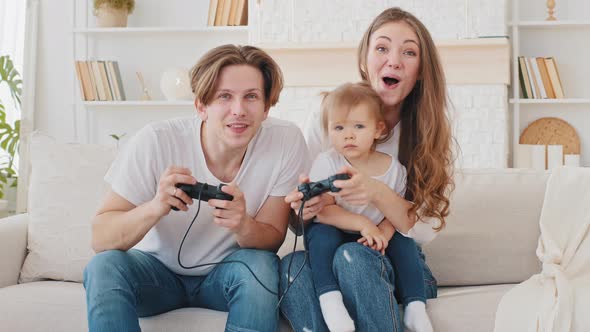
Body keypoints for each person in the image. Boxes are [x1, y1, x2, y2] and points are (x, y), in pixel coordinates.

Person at [83, 44, 310, 332]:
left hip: (226, 274)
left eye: (251, 97)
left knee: (261, 265)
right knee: (103, 267)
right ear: (201, 106)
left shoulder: (285, 141)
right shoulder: (156, 140)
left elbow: (272, 240)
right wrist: (155, 207)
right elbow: (100, 238)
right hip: (156, 273)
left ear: (266, 107)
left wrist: (243, 225)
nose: (238, 111)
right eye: (224, 97)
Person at [280, 7, 454, 332]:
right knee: (292, 268)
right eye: (382, 48)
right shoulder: (331, 115)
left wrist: (375, 193)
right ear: (365, 59)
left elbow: (423, 229)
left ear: (420, 70)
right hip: (333, 249)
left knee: (353, 258)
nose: (394, 60)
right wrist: (304, 209)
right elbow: (300, 222)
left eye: (409, 52)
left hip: (396, 261)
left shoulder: (427, 132)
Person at [303, 82, 433, 332]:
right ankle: (330, 299)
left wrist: (383, 233)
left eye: (359, 127)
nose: (348, 135)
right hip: (339, 230)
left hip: (375, 237)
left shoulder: (394, 168)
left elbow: (396, 215)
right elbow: (325, 210)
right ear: (328, 131)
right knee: (320, 234)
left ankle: (416, 306)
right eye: (338, 128)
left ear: (378, 129)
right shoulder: (327, 161)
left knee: (405, 242)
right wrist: (363, 224)